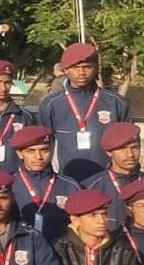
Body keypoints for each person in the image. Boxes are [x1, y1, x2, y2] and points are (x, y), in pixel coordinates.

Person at [39, 42, 131, 182]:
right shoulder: (51, 104)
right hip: (67, 179)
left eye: (87, 67)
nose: (81, 72)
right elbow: (42, 146)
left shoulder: (116, 102)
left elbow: (128, 144)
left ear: (96, 68)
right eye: (75, 67)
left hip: (109, 179)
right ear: (65, 69)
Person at [83, 122, 144, 233]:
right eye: (122, 149)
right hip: (109, 249)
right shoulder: (91, 187)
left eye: (134, 148)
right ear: (109, 152)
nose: (130, 154)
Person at [10, 125, 81, 242]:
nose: (38, 157)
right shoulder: (10, 184)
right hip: (20, 251)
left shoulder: (69, 185)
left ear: (52, 149)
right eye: (31, 151)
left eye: (44, 150)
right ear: (20, 153)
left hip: (61, 252)